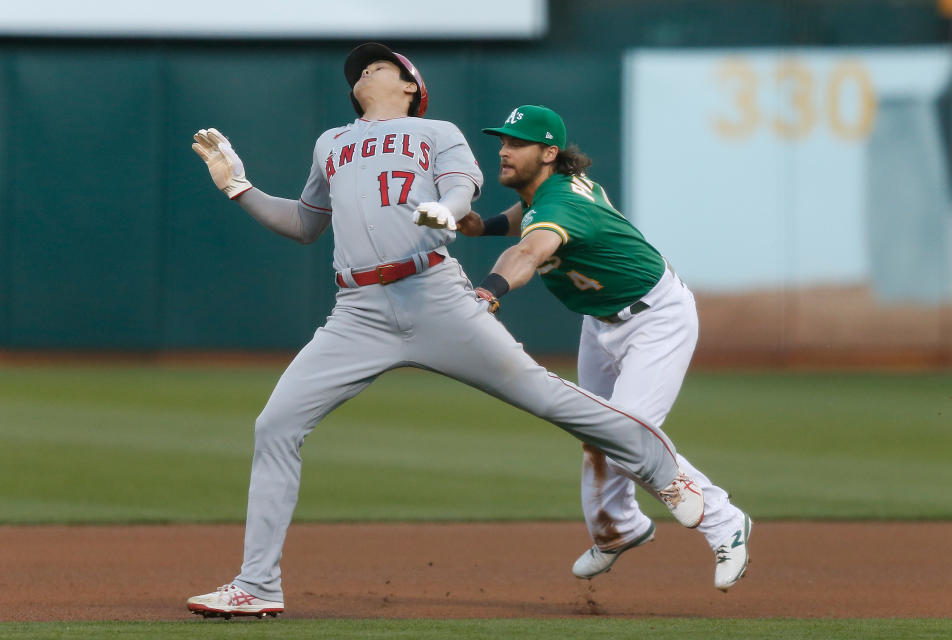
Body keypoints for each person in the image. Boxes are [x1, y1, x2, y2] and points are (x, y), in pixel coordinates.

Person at [184, 45, 705, 618]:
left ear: (410, 85)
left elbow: (462, 189)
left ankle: (664, 471)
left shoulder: (435, 131)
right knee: (276, 424)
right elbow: (306, 224)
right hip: (358, 310)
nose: (365, 72)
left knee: (543, 394)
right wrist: (239, 187)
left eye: (379, 65)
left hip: (434, 295)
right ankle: (257, 585)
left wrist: (445, 211)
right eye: (359, 68)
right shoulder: (330, 142)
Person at [447, 105, 751, 592]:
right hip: (602, 320)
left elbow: (529, 250)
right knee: (594, 434)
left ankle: (723, 520)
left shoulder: (560, 205)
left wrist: (487, 292)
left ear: (549, 153)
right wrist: (479, 226)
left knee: (627, 435)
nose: (504, 150)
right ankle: (617, 529)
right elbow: (525, 218)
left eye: (518, 143)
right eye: (503, 140)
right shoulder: (547, 193)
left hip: (655, 318)